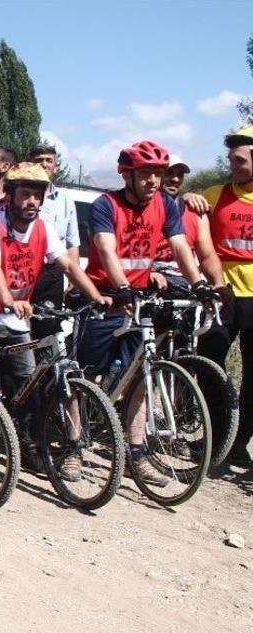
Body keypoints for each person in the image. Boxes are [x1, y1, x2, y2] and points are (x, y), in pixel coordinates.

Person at [78, 140, 211, 485]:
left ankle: (136, 453)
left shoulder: (165, 204)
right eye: (146, 173)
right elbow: (107, 250)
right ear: (128, 174)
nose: (153, 180)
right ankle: (72, 447)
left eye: (158, 173)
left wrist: (198, 284)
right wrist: (121, 287)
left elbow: (181, 246)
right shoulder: (105, 205)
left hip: (139, 297)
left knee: (140, 377)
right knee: (88, 376)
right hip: (106, 296)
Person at [0, 163, 107, 476]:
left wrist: (96, 297)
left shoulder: (42, 228)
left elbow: (68, 265)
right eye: (26, 194)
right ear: (11, 195)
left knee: (26, 387)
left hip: (17, 321)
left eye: (37, 196)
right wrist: (9, 300)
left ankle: (26, 446)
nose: (32, 202)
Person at [186, 126, 253, 472]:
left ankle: (239, 443)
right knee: (210, 366)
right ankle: (214, 439)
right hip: (221, 294)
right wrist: (188, 198)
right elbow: (184, 217)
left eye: (239, 160)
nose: (232, 165)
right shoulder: (215, 194)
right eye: (230, 159)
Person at [26, 143, 82, 339]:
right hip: (21, 270)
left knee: (47, 331)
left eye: (48, 160)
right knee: (18, 328)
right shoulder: (17, 196)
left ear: (56, 167)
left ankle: (43, 370)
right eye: (38, 160)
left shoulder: (65, 199)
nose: (43, 164)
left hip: (52, 274)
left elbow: (72, 241)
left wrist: (74, 278)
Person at [154, 155, 224, 289]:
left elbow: (207, 256)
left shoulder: (196, 213)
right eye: (169, 173)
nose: (175, 179)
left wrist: (219, 284)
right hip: (152, 285)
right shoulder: (140, 210)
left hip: (187, 286)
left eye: (180, 175)